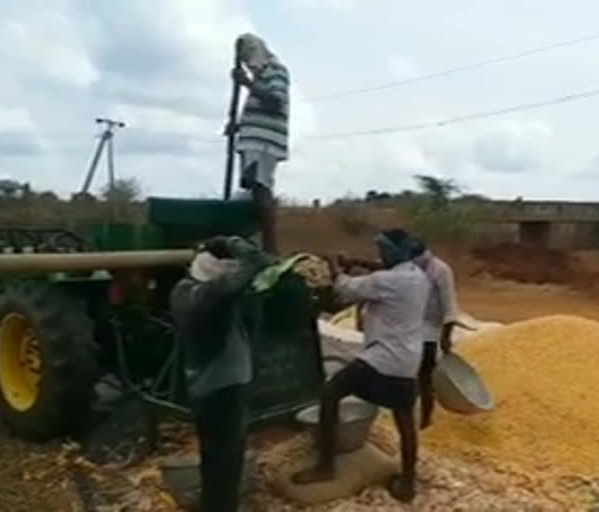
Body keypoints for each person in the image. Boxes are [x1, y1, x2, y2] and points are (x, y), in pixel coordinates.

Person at [292, 229, 430, 503]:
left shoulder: (387, 281)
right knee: (404, 419)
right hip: (407, 359)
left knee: (330, 393)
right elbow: (382, 272)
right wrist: (359, 263)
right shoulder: (417, 276)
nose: (379, 255)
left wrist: (331, 268)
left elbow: (343, 289)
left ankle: (325, 466)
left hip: (382, 357)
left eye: (383, 250)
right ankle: (408, 482)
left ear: (395, 253)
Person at [170, 236, 271, 512]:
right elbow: (258, 262)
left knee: (214, 454)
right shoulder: (207, 298)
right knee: (226, 460)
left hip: (206, 385)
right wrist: (234, 242)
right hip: (223, 388)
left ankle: (212, 502)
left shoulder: (184, 290)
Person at [229, 33, 289, 255]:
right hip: (252, 138)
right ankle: (260, 247)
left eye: (248, 57)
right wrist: (238, 127)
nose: (247, 63)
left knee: (262, 190)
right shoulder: (261, 75)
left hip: (263, 141)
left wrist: (246, 84)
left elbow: (276, 101)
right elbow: (258, 109)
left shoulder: (276, 70)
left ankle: (271, 252)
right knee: (254, 192)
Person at [410, 239, 460, 430]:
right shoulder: (409, 268)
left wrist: (446, 336)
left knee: (424, 376)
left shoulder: (440, 270)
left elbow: (449, 306)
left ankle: (425, 419)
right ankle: (409, 410)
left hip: (430, 328)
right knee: (408, 373)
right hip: (410, 326)